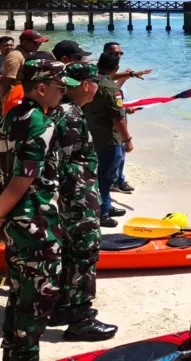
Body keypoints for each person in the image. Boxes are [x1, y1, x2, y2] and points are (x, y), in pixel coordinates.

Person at [0, 58, 72, 361]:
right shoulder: (40, 123)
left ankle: (12, 353)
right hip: (34, 221)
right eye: (60, 88)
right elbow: (22, 179)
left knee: (20, 292)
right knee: (39, 298)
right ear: (41, 88)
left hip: (15, 219)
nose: (63, 93)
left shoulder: (10, 116)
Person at [47, 61, 118, 341]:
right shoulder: (71, 116)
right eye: (95, 83)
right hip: (76, 198)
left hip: (72, 196)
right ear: (86, 85)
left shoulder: (64, 110)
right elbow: (62, 163)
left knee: (69, 254)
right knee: (84, 255)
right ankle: (81, 319)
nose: (97, 87)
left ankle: (62, 307)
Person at [83, 53, 132, 226]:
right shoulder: (110, 88)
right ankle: (102, 213)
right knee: (106, 177)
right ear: (116, 68)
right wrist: (128, 139)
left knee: (100, 175)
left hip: (93, 134)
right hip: (110, 139)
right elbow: (118, 118)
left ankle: (106, 205)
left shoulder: (90, 82)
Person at [103, 42, 150, 195]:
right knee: (117, 152)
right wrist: (127, 76)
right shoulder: (105, 72)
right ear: (105, 54)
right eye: (114, 53)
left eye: (120, 53)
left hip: (121, 114)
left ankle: (118, 179)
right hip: (112, 120)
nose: (118, 56)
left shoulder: (117, 71)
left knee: (121, 152)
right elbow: (110, 89)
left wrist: (127, 107)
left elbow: (118, 96)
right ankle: (111, 183)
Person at [0, 30, 49, 115]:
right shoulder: (16, 56)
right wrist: (5, 103)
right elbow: (6, 81)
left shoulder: (26, 55)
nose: (39, 45)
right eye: (36, 43)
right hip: (14, 100)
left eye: (40, 43)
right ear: (24, 42)